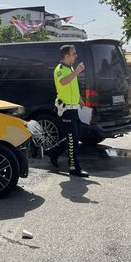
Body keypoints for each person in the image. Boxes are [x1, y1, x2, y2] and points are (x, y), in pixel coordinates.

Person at [49, 45, 89, 178]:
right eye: (74, 53)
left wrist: (80, 100)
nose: (76, 55)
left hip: (74, 109)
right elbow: (64, 82)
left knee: (72, 137)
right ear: (66, 56)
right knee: (74, 138)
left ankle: (54, 152)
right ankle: (74, 168)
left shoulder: (70, 68)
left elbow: (73, 87)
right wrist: (77, 71)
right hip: (65, 110)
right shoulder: (60, 69)